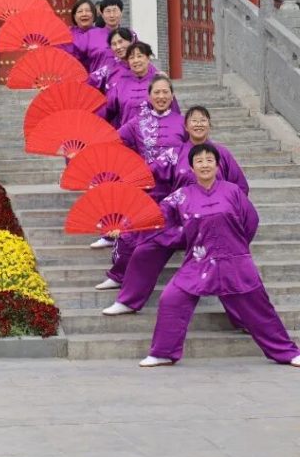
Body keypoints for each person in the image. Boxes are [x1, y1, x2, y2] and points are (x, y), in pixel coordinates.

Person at [140, 143, 300, 368]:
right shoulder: (181, 196)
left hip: (235, 261)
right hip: (199, 262)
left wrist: (238, 246)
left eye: (209, 160)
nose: (204, 165)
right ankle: (163, 353)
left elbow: (250, 220)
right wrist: (176, 236)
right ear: (192, 168)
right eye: (199, 161)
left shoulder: (232, 191)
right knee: (171, 299)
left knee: (260, 309)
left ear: (217, 166)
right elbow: (157, 219)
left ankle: (287, 352)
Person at [103, 107, 250, 315]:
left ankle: (245, 317)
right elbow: (148, 174)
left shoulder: (221, 154)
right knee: (147, 248)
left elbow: (240, 187)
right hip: (181, 222)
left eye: (203, 120)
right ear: (186, 126)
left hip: (214, 225)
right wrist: (119, 182)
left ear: (209, 124)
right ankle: (128, 300)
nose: (198, 124)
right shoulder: (175, 154)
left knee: (230, 264)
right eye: (194, 120)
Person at [96, 76, 186, 290]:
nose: (161, 96)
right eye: (157, 92)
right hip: (146, 189)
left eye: (165, 92)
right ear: (149, 96)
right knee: (128, 231)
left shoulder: (184, 123)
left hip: (177, 190)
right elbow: (114, 141)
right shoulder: (137, 123)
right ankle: (118, 275)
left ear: (172, 96)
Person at [102, 42, 178, 128]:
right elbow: (109, 110)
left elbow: (173, 111)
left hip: (156, 133)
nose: (136, 60)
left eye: (139, 56)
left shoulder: (159, 81)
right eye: (131, 57)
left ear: (148, 58)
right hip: (127, 133)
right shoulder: (120, 83)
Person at [67, 0, 113, 74]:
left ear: (94, 15)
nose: (84, 14)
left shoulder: (103, 34)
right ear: (74, 16)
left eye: (88, 11)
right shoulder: (67, 34)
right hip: (74, 75)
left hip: (98, 76)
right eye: (80, 11)